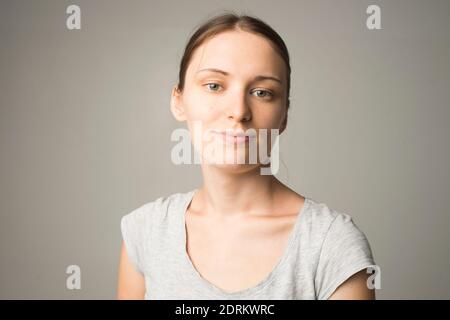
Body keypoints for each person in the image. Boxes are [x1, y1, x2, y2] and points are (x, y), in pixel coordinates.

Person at [117, 12, 376, 300]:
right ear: (178, 101)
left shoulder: (333, 246)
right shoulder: (145, 232)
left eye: (262, 92)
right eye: (214, 86)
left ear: (284, 117)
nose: (239, 111)